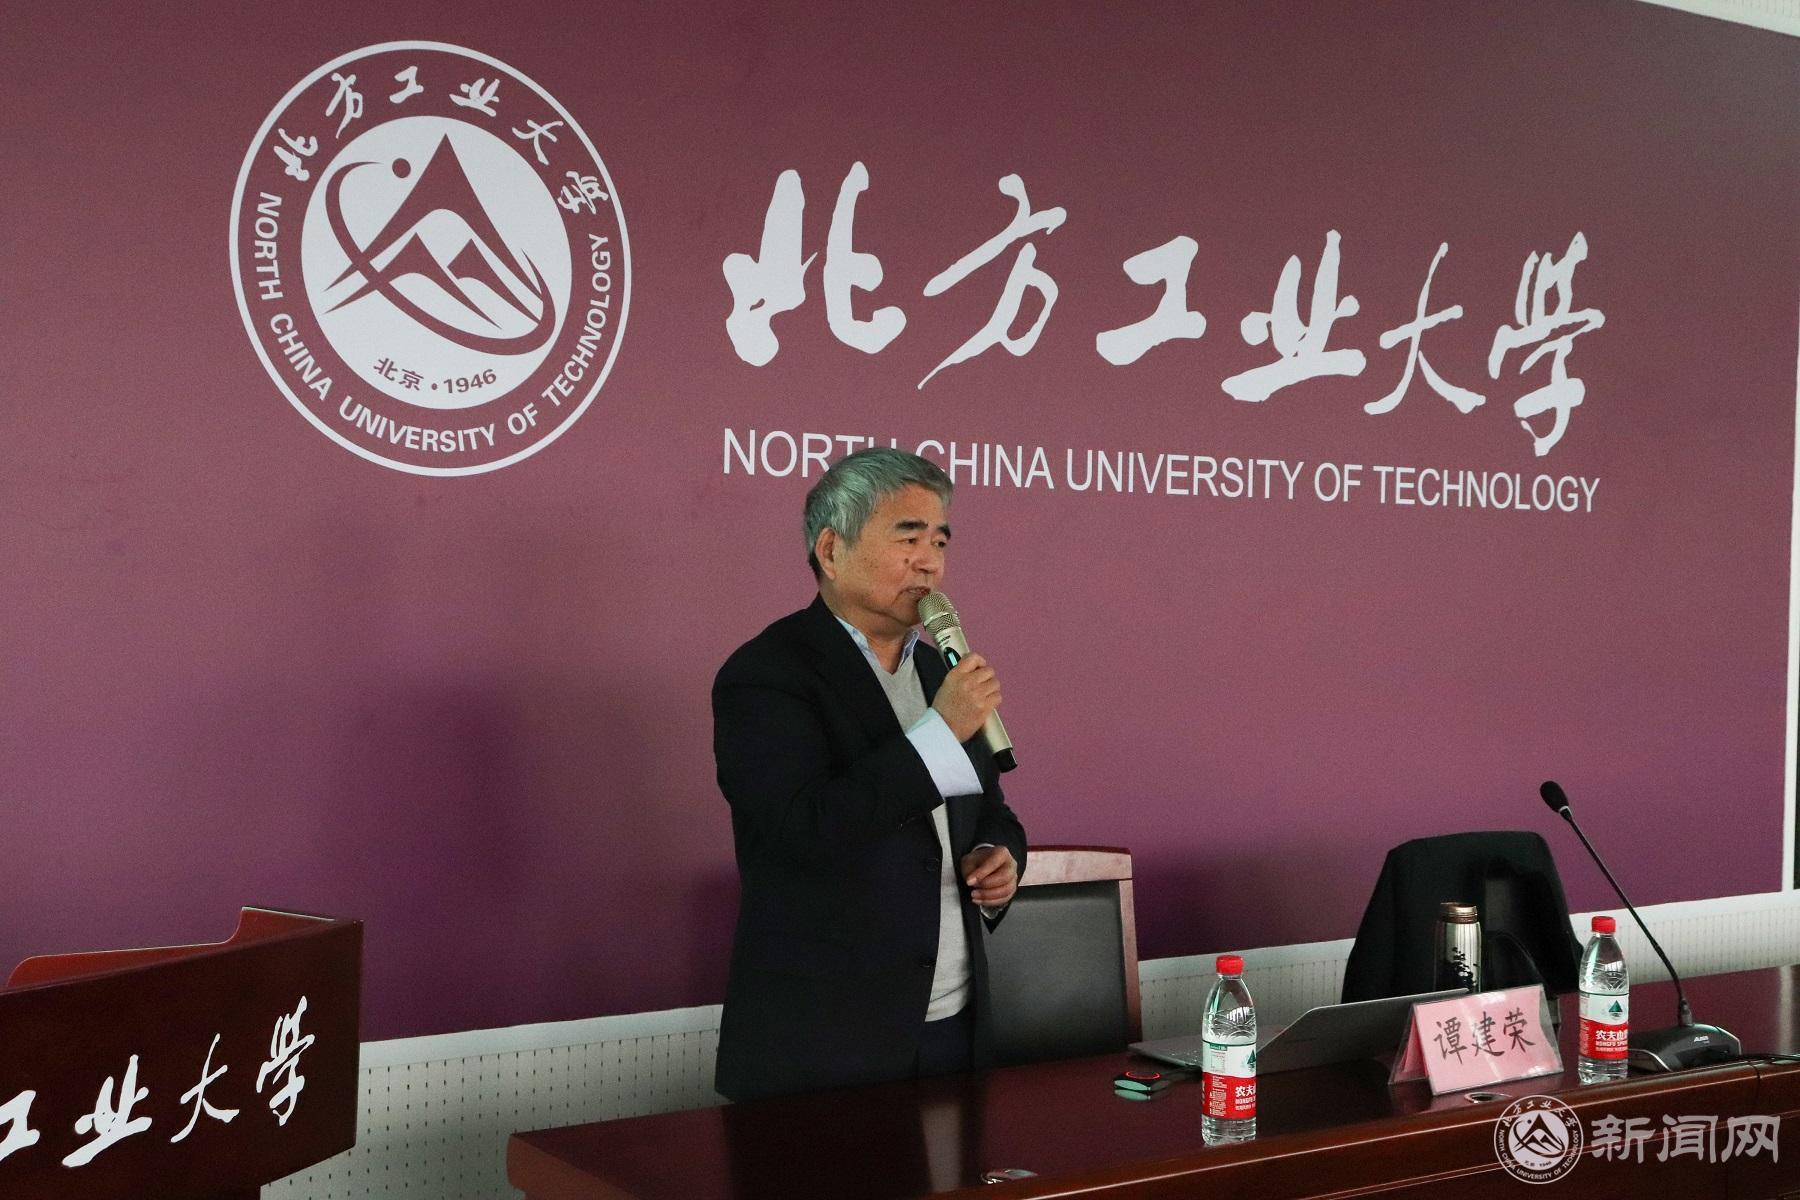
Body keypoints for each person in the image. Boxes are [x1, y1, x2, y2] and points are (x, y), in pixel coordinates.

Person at [712, 448, 1027, 1102]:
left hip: (955, 1026)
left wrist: (1001, 854)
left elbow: (989, 810)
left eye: (940, 541)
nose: (930, 562)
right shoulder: (767, 674)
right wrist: (939, 733)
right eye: (908, 538)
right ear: (832, 550)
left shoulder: (941, 671)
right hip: (827, 1043)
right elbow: (805, 829)